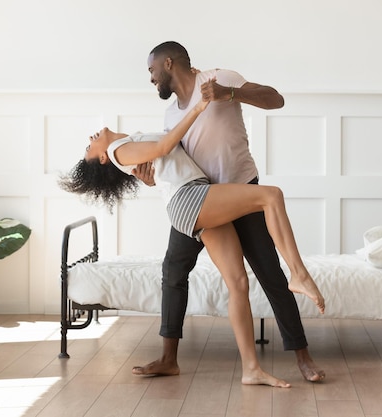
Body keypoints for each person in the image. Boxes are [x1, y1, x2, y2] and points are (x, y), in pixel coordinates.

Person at [60, 94, 324, 386]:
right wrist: (199, 107)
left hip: (196, 196)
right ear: (102, 158)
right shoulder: (118, 148)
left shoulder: (128, 144)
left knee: (238, 282)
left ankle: (251, 369)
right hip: (191, 199)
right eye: (89, 146)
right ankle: (298, 274)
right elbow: (164, 146)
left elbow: (164, 159)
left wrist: (152, 175)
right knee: (270, 196)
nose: (91, 137)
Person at [131, 41, 326, 382]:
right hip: (201, 201)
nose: (150, 79)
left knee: (271, 275)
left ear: (168, 62)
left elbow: (275, 98)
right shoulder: (171, 114)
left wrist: (229, 94)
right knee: (173, 272)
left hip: (242, 190)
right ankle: (168, 358)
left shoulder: (220, 77)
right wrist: (150, 179)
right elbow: (174, 165)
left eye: (151, 70)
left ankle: (303, 358)